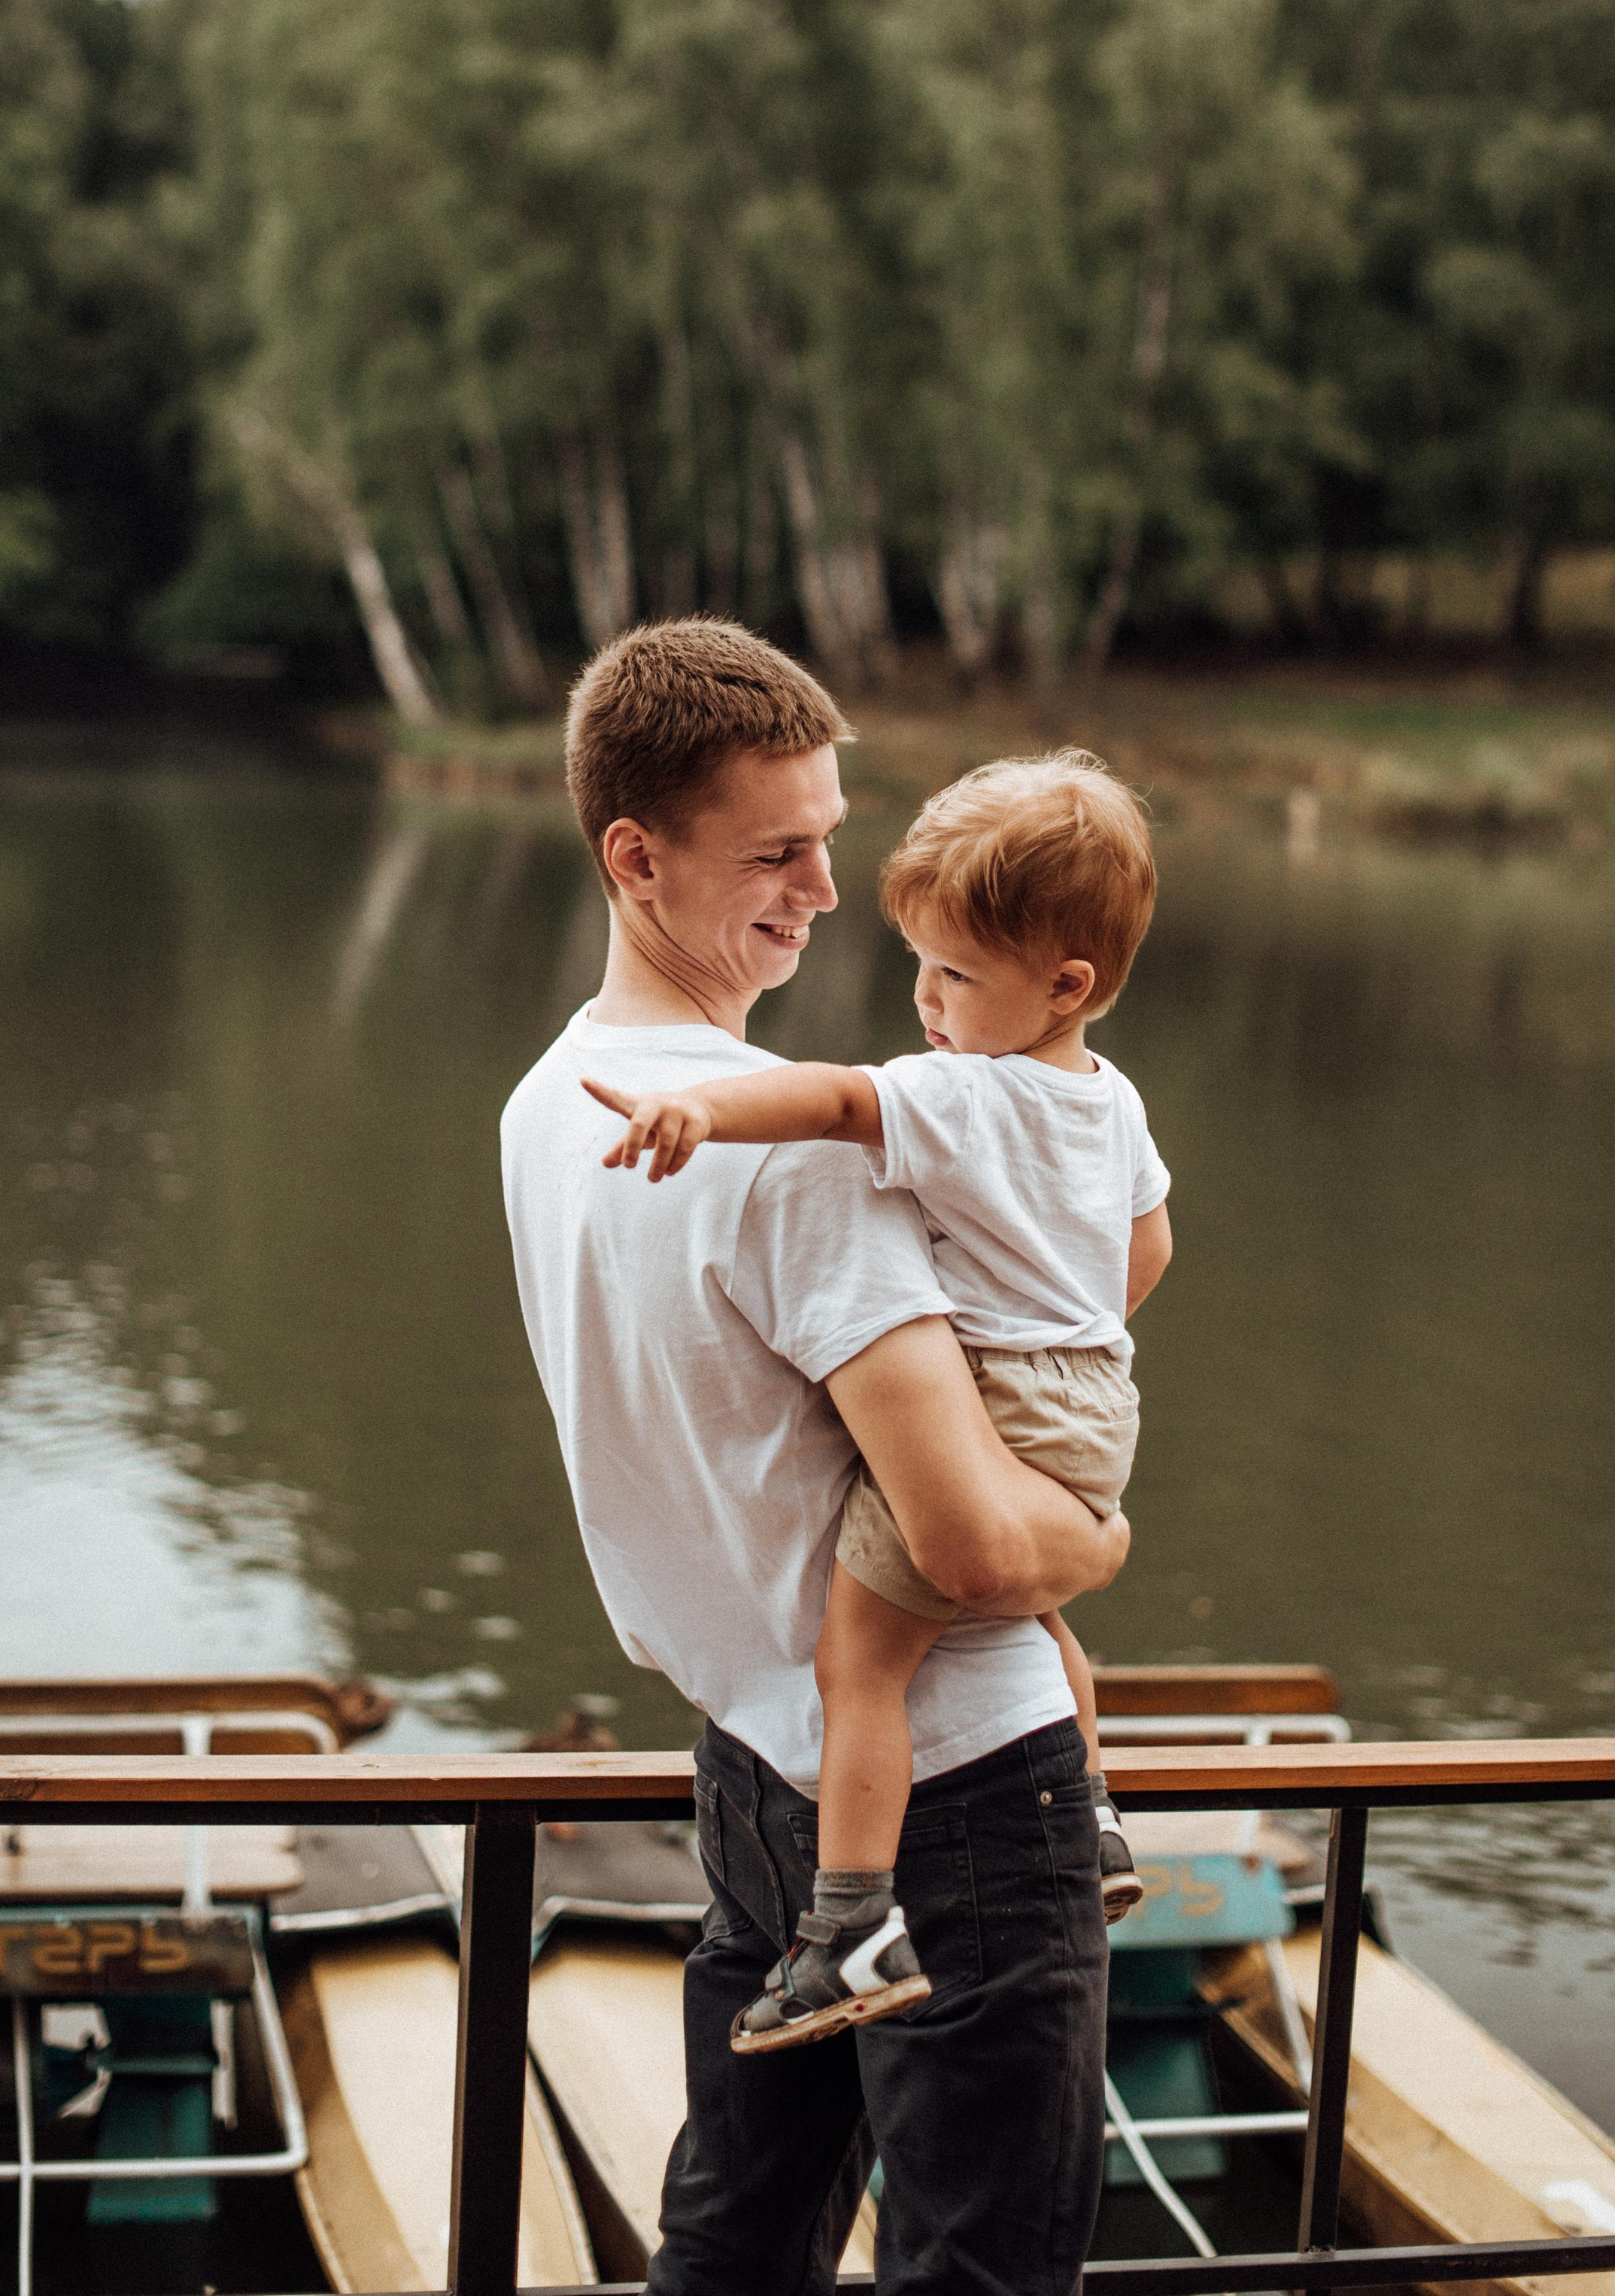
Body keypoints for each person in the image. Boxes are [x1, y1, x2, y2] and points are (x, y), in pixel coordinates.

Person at [500, 618, 1129, 2296]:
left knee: (734, 2244)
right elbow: (980, 1549)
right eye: (777, 852)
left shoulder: (550, 1099)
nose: (825, 892)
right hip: (964, 1798)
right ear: (634, 858)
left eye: (829, 838)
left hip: (764, 1771)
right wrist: (1101, 1547)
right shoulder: (791, 1151)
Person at [584, 751, 1172, 2054]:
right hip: (1094, 1393)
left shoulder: (965, 1092)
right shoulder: (1109, 1094)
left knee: (862, 1665)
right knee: (1044, 1611)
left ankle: (848, 1922)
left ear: (1064, 983)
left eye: (955, 974)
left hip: (1004, 1389)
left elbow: (841, 1097)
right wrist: (1069, 1338)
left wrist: (700, 1109)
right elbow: (1150, 1248)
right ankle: (1096, 1808)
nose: (924, 999)